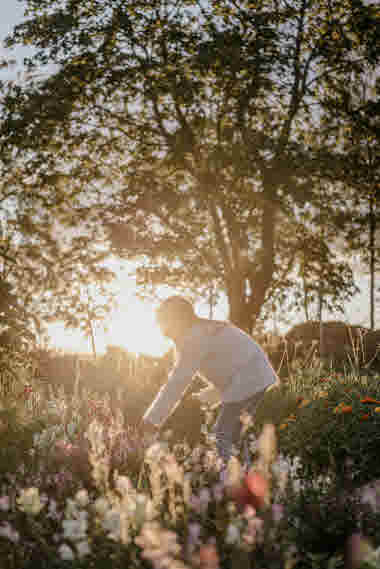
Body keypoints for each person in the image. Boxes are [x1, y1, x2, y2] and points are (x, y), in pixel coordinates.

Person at [141, 296, 280, 463]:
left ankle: (233, 478)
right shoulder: (200, 331)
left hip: (250, 377)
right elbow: (229, 367)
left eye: (166, 323)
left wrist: (152, 420)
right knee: (232, 435)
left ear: (179, 319)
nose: (164, 331)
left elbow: (177, 382)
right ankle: (242, 471)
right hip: (252, 375)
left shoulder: (194, 337)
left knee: (222, 434)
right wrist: (204, 397)